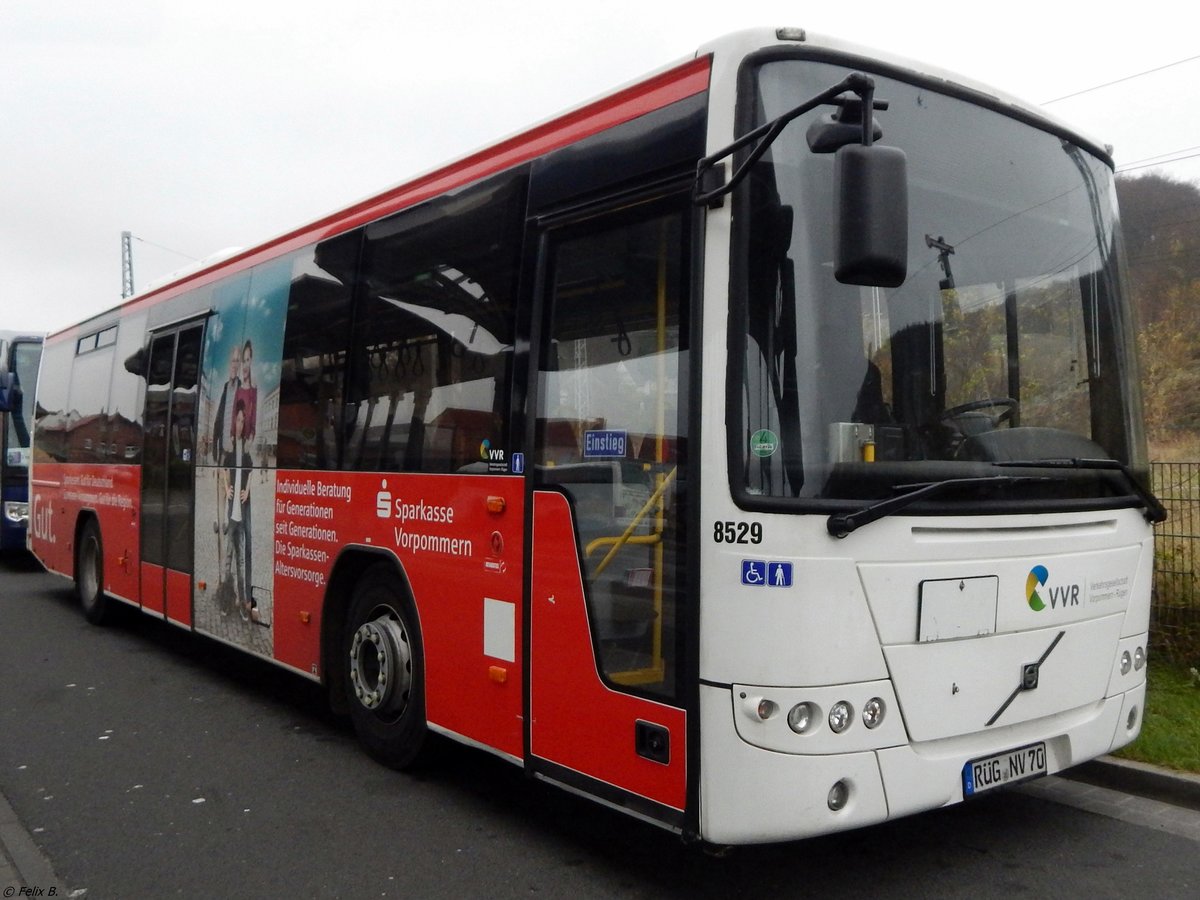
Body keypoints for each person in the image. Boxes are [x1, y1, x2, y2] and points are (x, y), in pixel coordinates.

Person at [227, 400, 254, 621]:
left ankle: (244, 601)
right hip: (231, 512)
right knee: (229, 555)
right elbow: (224, 472)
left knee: (242, 557)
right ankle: (229, 596)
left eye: (243, 421)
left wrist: (247, 490)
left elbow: (252, 471)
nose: (240, 423)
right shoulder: (231, 448)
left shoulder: (245, 449)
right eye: (238, 420)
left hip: (242, 509)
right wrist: (227, 488)